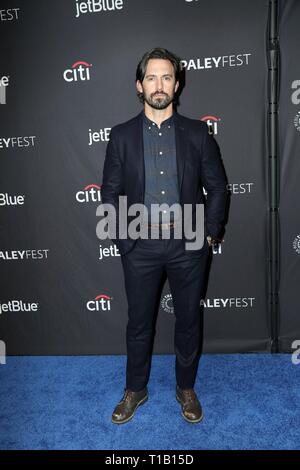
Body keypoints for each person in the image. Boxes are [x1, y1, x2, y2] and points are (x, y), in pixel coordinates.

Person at [101, 47, 227, 424]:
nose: (160, 85)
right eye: (152, 78)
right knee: (139, 322)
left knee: (188, 320)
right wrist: (123, 241)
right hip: (139, 243)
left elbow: (218, 188)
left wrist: (208, 234)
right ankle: (135, 389)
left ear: (177, 83)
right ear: (139, 85)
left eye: (167, 77)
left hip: (188, 240)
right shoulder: (121, 135)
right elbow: (109, 192)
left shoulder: (198, 132)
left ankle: (185, 388)